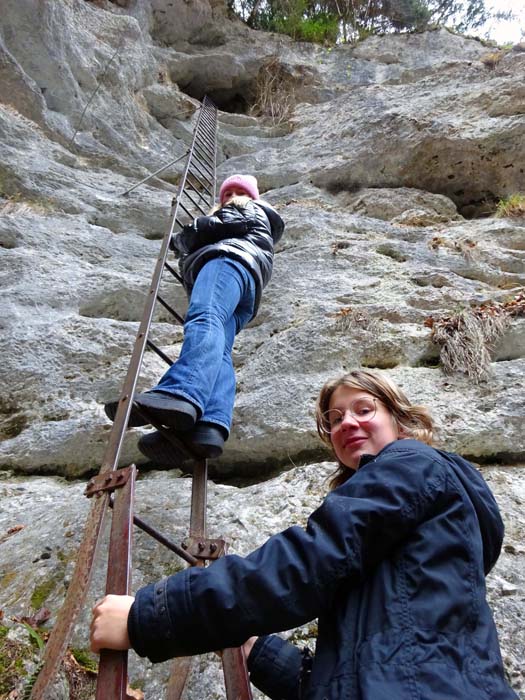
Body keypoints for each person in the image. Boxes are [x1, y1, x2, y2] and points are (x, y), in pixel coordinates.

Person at [91, 370, 518, 700]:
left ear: (401, 421)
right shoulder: (417, 551)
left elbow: (312, 558)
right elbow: (372, 667)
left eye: (364, 409)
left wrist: (148, 616)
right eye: (335, 418)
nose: (346, 422)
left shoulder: (411, 462)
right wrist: (259, 652)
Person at [104, 174, 284, 462]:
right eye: (228, 192)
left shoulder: (245, 208)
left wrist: (184, 237)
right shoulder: (261, 228)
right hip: (246, 283)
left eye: (240, 191)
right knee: (222, 352)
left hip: (227, 262)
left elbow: (223, 224)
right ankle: (209, 425)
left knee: (204, 317)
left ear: (253, 197)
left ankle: (181, 392)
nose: (233, 196)